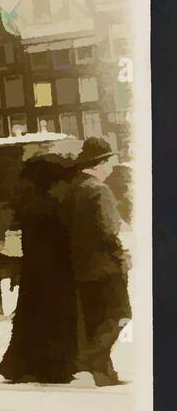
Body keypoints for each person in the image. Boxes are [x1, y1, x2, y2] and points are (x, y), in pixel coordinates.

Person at [0, 154, 78, 384]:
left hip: (34, 269)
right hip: (55, 268)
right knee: (55, 317)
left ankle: (22, 365)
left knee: (31, 317)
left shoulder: (27, 202)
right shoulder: (51, 203)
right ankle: (54, 367)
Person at [67, 137, 131, 387]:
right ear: (99, 163)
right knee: (121, 316)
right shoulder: (98, 190)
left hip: (80, 268)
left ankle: (105, 374)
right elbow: (109, 230)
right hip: (105, 267)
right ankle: (92, 361)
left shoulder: (73, 189)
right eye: (109, 162)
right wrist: (121, 257)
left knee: (95, 320)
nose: (111, 168)